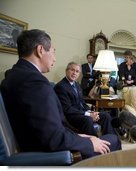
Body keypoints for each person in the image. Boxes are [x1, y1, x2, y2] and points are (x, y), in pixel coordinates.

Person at [0, 29, 121, 159]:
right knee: (113, 140)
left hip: (37, 144)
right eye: (53, 52)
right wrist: (88, 143)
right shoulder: (35, 82)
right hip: (49, 155)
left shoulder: (14, 75)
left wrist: (79, 136)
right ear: (40, 50)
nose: (55, 58)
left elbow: (45, 127)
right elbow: (53, 138)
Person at [54, 62, 118, 137]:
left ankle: (111, 139)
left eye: (77, 71)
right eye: (72, 70)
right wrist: (88, 114)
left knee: (105, 116)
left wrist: (91, 112)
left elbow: (82, 102)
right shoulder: (61, 87)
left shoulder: (76, 85)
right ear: (66, 71)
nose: (74, 73)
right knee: (88, 120)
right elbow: (67, 109)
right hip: (71, 116)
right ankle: (95, 144)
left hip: (82, 113)